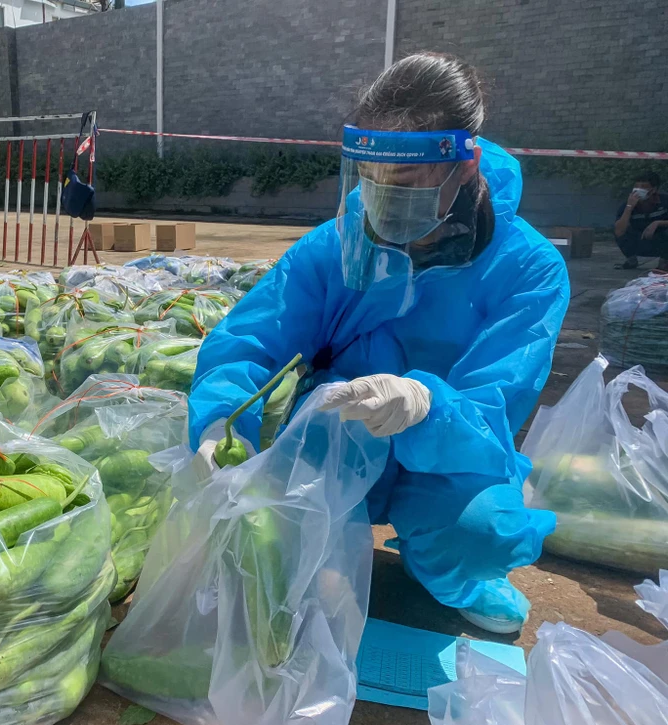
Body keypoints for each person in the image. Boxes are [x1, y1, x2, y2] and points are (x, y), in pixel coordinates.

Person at [189, 53, 570, 635]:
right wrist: (220, 420)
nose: (385, 204)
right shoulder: (337, 243)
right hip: (336, 433)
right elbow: (252, 337)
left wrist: (426, 404)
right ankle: (320, 541)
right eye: (372, 181)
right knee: (269, 531)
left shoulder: (529, 269)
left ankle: (452, 573)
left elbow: (495, 404)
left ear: (465, 166)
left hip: (448, 451)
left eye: (407, 186)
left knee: (481, 533)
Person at [614, 172, 668, 270]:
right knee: (620, 226)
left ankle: (664, 262)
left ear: (653, 190)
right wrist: (629, 207)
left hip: (660, 240)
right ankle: (631, 260)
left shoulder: (665, 201)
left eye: (643, 187)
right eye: (636, 186)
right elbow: (619, 231)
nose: (638, 190)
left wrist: (658, 223)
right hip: (639, 240)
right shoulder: (627, 205)